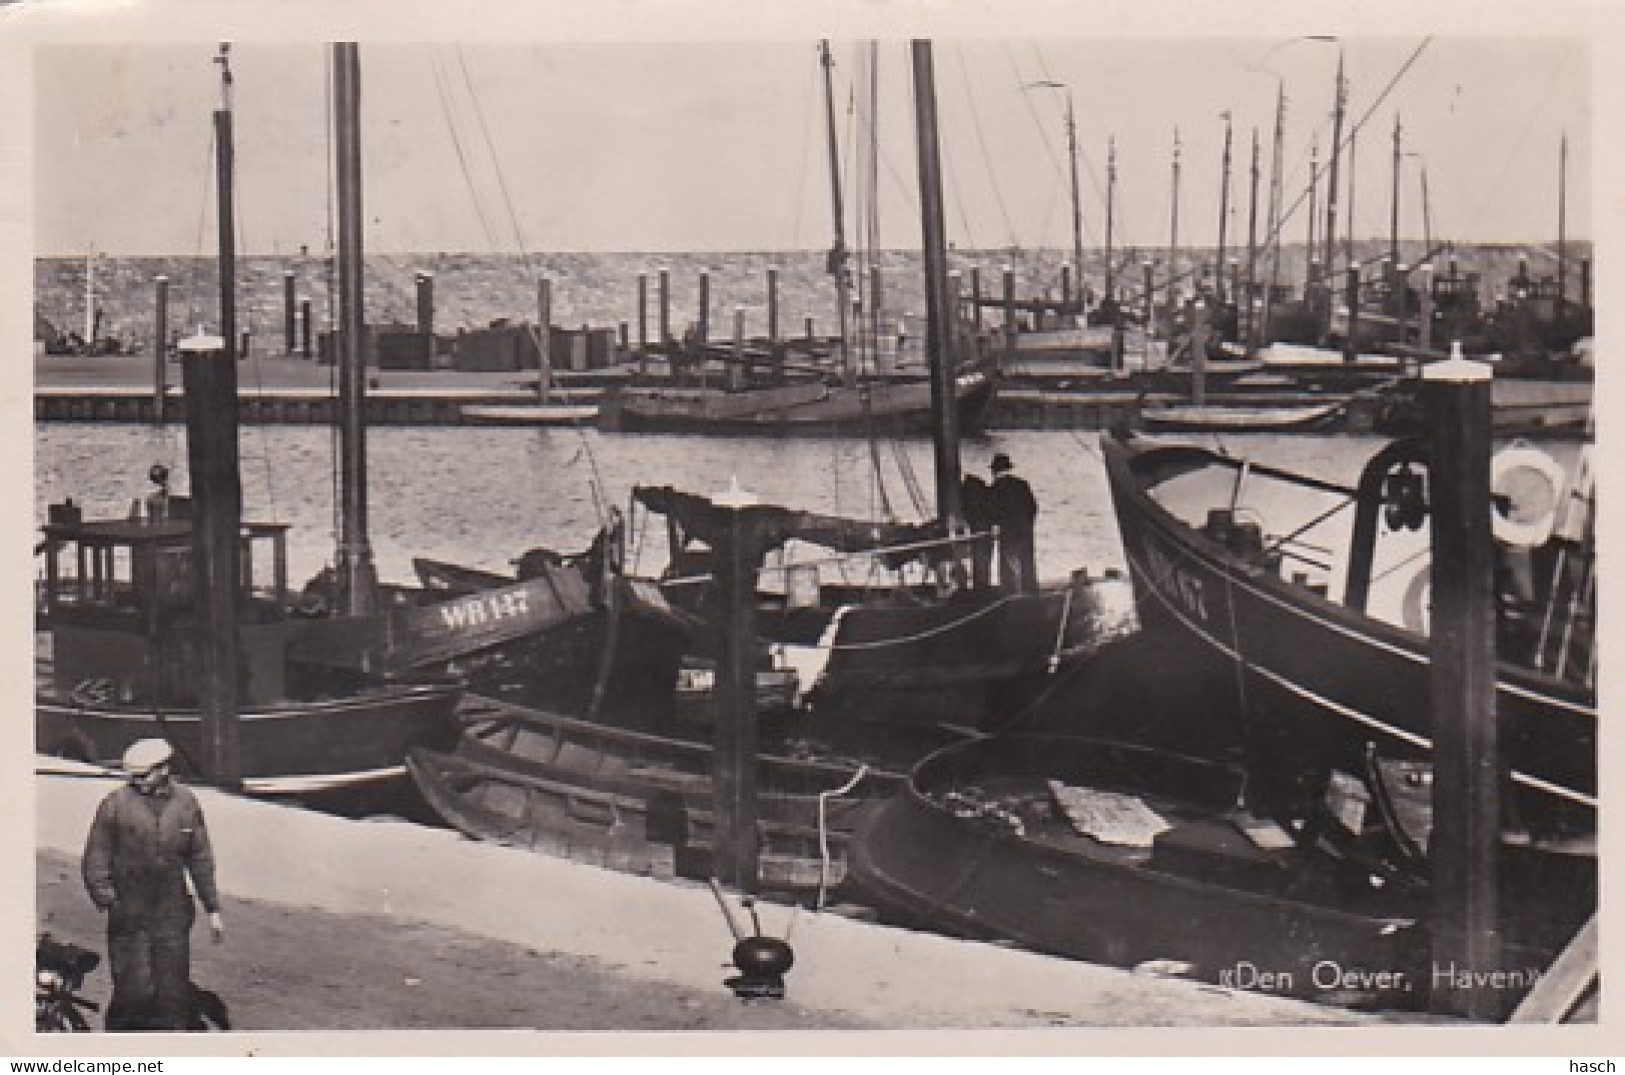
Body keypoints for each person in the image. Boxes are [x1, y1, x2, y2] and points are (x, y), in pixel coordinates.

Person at [82, 739, 224, 1031]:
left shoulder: (186, 804)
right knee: (132, 989)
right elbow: (96, 858)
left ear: (164, 769)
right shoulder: (115, 805)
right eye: (133, 776)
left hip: (172, 910)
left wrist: (212, 908)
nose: (137, 782)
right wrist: (108, 899)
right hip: (129, 910)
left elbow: (200, 858)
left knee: (172, 991)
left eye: (144, 775)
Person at [989, 453, 1039, 594]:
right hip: (1025, 530)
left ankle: (1011, 595)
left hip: (1008, 532)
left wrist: (996, 525)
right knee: (1027, 562)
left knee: (1008, 565)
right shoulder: (1022, 484)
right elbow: (1033, 507)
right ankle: (1031, 592)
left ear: (995, 471)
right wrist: (1028, 524)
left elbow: (992, 511)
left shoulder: (996, 488)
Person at [960, 474, 994, 590]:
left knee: (980, 558)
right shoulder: (979, 495)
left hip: (978, 530)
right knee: (983, 559)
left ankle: (980, 585)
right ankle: (982, 585)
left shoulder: (969, 497)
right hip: (982, 530)